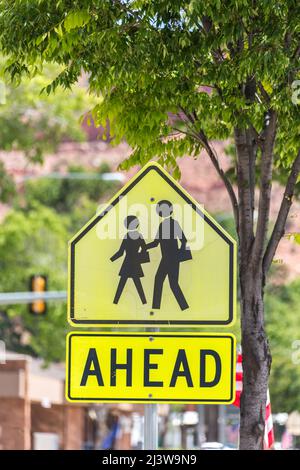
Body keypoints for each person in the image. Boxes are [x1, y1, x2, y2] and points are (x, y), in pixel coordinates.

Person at [147, 200, 191, 310]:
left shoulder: (174, 223)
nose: (164, 211)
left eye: (166, 209)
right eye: (161, 209)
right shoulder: (162, 225)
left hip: (173, 258)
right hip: (165, 258)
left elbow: (183, 240)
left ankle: (184, 307)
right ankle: (156, 308)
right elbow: (156, 243)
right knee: (160, 280)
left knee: (172, 284)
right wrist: (143, 247)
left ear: (170, 210)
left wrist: (179, 254)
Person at [110, 215, 148, 305]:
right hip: (135, 263)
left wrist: (111, 260)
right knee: (137, 284)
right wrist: (139, 256)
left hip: (127, 263)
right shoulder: (139, 236)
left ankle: (115, 302)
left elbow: (120, 252)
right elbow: (144, 248)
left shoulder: (127, 236)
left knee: (122, 284)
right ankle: (144, 302)